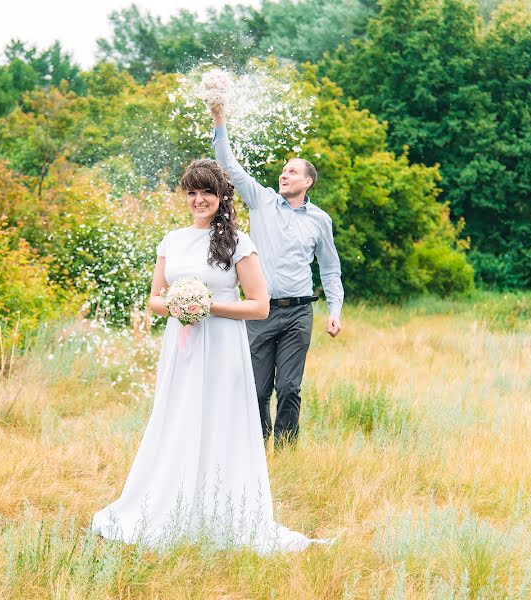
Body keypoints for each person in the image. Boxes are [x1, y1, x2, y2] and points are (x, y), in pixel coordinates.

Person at [90, 159, 329, 553]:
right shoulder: (172, 240)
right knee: (178, 416)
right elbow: (154, 300)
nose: (199, 200)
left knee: (219, 418)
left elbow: (259, 306)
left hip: (222, 347)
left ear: (222, 197)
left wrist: (208, 305)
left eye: (207, 192)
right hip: (181, 348)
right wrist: (178, 306)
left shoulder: (239, 243)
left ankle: (222, 506)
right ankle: (170, 499)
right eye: (192, 192)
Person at [210, 104, 344, 448]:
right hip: (261, 310)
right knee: (256, 389)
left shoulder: (320, 220)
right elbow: (229, 166)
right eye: (284, 171)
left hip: (299, 311)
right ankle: (257, 452)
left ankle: (286, 455)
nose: (284, 175)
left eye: (293, 172)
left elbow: (330, 269)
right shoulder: (262, 201)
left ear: (308, 181)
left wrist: (334, 312)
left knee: (288, 388)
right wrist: (219, 120)